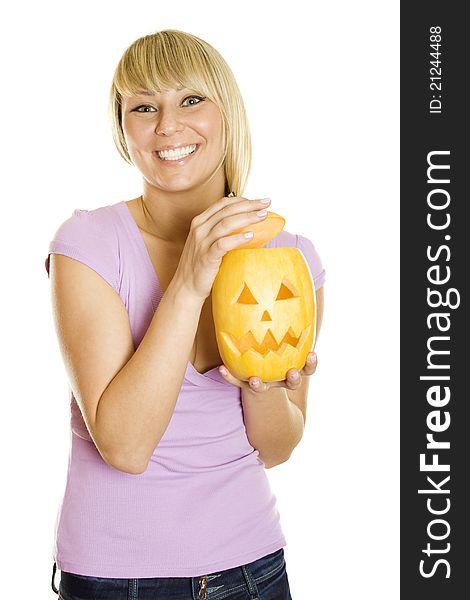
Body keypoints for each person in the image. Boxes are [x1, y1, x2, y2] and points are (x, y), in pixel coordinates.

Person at [46, 29, 325, 599]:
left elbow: (277, 448)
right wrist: (191, 279)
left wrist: (267, 388)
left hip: (254, 569)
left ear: (228, 113)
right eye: (143, 107)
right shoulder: (88, 245)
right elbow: (124, 447)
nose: (168, 125)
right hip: (115, 579)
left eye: (190, 99)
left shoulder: (289, 257)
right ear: (124, 133)